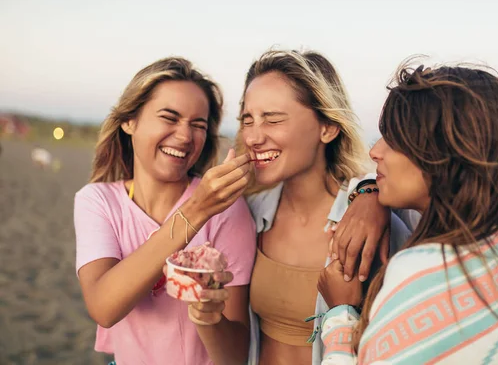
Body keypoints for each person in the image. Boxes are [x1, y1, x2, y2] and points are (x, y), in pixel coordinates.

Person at [317, 63, 498, 364]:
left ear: (442, 156)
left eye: (394, 139)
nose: (375, 151)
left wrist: (340, 314)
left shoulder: (424, 273)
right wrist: (369, 192)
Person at [74, 57, 256, 365]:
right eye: (169, 117)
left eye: (198, 125)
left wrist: (209, 318)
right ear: (129, 121)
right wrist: (196, 211)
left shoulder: (227, 210)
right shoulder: (98, 201)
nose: (185, 136)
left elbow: (235, 357)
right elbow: (104, 307)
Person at [235, 49, 414, 365]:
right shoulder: (248, 214)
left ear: (328, 128)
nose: (253, 136)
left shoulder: (376, 226)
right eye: (248, 119)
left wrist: (370, 192)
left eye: (273, 118)